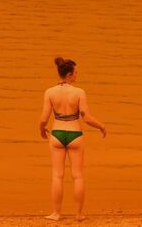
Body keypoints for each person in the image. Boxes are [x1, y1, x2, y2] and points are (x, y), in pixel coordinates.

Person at [39, 57, 106, 221]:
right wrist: (101, 126)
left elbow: (43, 119)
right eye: (75, 73)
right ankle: (78, 214)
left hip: (57, 134)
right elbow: (86, 117)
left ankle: (56, 213)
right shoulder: (79, 92)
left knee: (57, 175)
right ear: (69, 74)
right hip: (75, 134)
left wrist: (41, 130)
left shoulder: (49, 92)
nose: (77, 75)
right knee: (78, 176)